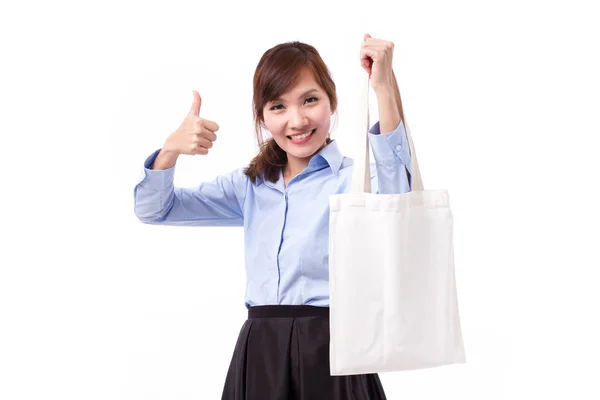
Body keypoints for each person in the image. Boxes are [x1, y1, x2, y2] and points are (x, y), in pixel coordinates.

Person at [133, 33, 412, 399]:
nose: (296, 121)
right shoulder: (249, 186)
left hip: (332, 349)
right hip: (259, 350)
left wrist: (383, 89)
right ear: (262, 116)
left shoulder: (355, 180)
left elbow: (401, 204)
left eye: (310, 100)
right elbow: (155, 209)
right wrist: (170, 149)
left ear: (332, 103)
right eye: (278, 107)